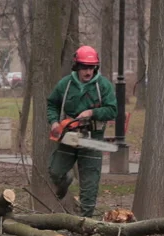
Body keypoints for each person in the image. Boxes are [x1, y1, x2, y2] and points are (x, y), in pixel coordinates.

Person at [46, 45, 117, 217]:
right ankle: (64, 183)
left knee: (89, 182)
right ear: (77, 66)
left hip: (92, 137)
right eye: (84, 67)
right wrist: (54, 122)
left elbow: (112, 110)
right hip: (69, 135)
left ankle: (86, 221)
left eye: (91, 67)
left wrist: (92, 112)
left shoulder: (103, 85)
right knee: (55, 171)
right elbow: (52, 104)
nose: (88, 71)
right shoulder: (66, 84)